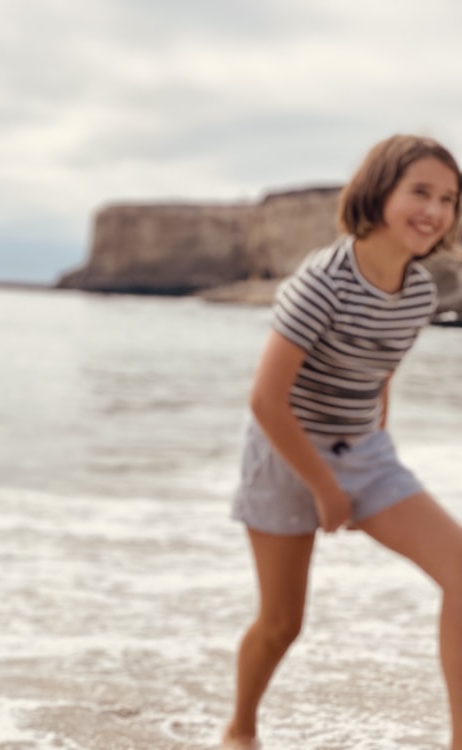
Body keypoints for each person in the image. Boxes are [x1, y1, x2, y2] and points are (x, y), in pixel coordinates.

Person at [223, 134, 462, 749]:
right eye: (421, 193)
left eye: (449, 199)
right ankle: (240, 730)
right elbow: (265, 401)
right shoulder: (321, 283)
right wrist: (326, 488)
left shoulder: (419, 294)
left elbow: (379, 372)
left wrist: (374, 457)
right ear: (379, 192)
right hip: (283, 454)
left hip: (363, 452)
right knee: (282, 623)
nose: (434, 211)